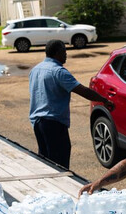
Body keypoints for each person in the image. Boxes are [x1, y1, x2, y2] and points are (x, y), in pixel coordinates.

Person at [29, 39, 114, 169]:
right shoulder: (59, 72)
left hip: (37, 123)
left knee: (45, 161)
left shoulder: (36, 69)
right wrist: (104, 100)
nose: (66, 54)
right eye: (64, 51)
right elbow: (83, 91)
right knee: (59, 163)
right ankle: (59, 188)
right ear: (57, 52)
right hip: (53, 123)